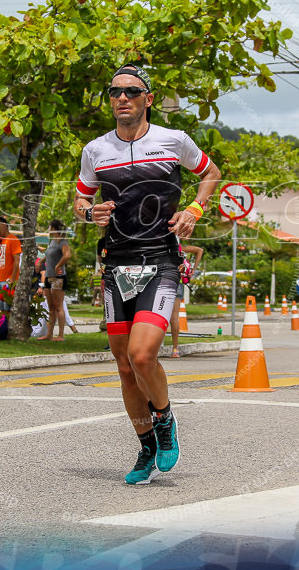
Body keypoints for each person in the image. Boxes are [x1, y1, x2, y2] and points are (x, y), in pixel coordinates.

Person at [75, 63, 221, 485]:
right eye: (115, 91)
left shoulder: (173, 141)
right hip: (115, 263)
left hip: (159, 259)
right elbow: (80, 201)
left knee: (142, 355)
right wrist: (90, 212)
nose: (122, 98)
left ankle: (165, 417)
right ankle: (145, 447)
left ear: (148, 99)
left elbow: (210, 174)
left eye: (132, 92)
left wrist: (194, 209)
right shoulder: (95, 150)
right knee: (123, 366)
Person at [38, 219, 73, 341]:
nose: (48, 229)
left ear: (53, 228)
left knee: (59, 306)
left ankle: (61, 335)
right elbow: (48, 256)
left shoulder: (63, 242)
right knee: (51, 306)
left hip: (58, 278)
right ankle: (49, 334)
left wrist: (58, 266)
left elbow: (67, 255)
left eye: (49, 227)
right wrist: (41, 262)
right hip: (48, 277)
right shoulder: (52, 242)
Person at [170, 243, 204, 357]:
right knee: (174, 318)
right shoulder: (181, 248)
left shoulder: (162, 247)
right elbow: (199, 250)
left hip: (164, 283)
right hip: (178, 284)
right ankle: (175, 349)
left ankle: (154, 347)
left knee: (157, 317)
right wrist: (193, 270)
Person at [0, 216, 21, 315]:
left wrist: (13, 278)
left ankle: (9, 328)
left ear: (4, 225)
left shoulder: (13, 239)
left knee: (8, 307)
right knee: (1, 307)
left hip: (8, 280)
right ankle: (5, 327)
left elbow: (16, 261)